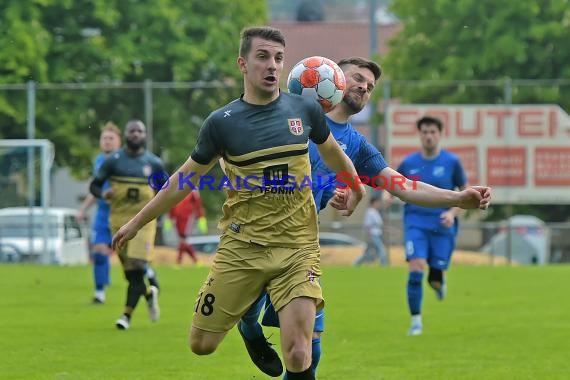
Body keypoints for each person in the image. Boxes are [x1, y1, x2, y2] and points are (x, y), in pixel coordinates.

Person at [111, 26, 366, 380]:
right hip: (242, 248)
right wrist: (136, 222)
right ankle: (249, 329)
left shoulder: (305, 109)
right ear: (242, 64)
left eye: (278, 58)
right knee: (201, 345)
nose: (272, 66)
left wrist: (356, 186)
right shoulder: (221, 124)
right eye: (262, 57)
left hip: (296, 248)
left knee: (298, 351)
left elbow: (334, 154)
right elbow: (181, 181)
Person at [237, 57, 491, 378]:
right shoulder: (286, 114)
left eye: (370, 87)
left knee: (308, 347)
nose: (363, 87)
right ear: (334, 76)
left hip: (300, 249)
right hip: (254, 238)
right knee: (243, 312)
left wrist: (458, 197)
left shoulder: (356, 145)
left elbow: (402, 185)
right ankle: (249, 330)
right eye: (358, 78)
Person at [90, 120, 166, 330]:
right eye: (132, 131)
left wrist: (160, 216)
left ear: (145, 135)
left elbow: (166, 191)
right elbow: (94, 185)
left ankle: (126, 316)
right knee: (130, 273)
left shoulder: (154, 163)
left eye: (140, 131)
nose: (136, 134)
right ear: (126, 134)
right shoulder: (113, 160)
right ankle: (150, 293)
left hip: (144, 222)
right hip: (118, 220)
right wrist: (103, 193)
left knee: (138, 265)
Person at [396, 115, 468, 336]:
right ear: (420, 135)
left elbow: (465, 192)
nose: (428, 136)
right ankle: (416, 321)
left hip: (442, 225)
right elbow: (395, 184)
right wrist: (388, 196)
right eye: (424, 132)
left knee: (435, 277)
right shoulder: (408, 163)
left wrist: (452, 212)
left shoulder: (452, 162)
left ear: (439, 134)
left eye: (432, 132)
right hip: (415, 223)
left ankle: (438, 281)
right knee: (416, 267)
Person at [77, 122, 122, 304]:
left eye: (111, 138)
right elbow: (96, 189)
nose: (107, 141)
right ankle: (99, 293)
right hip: (103, 213)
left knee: (133, 258)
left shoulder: (125, 159)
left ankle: (150, 279)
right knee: (98, 252)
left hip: (122, 212)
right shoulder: (98, 161)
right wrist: (83, 210)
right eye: (104, 138)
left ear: (119, 142)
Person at [168, 190, 207, 265]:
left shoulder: (193, 189)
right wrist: (171, 216)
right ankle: (195, 261)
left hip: (187, 217)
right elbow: (172, 202)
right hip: (177, 218)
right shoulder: (176, 186)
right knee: (183, 240)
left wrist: (201, 216)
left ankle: (180, 261)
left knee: (183, 239)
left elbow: (198, 204)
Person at [353, 194, 388, 266]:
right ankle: (384, 266)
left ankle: (356, 264)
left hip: (377, 235)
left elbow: (379, 225)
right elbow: (367, 225)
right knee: (381, 250)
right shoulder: (370, 212)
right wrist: (368, 235)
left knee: (368, 253)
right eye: (378, 202)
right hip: (373, 235)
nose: (379, 204)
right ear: (374, 203)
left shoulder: (375, 212)